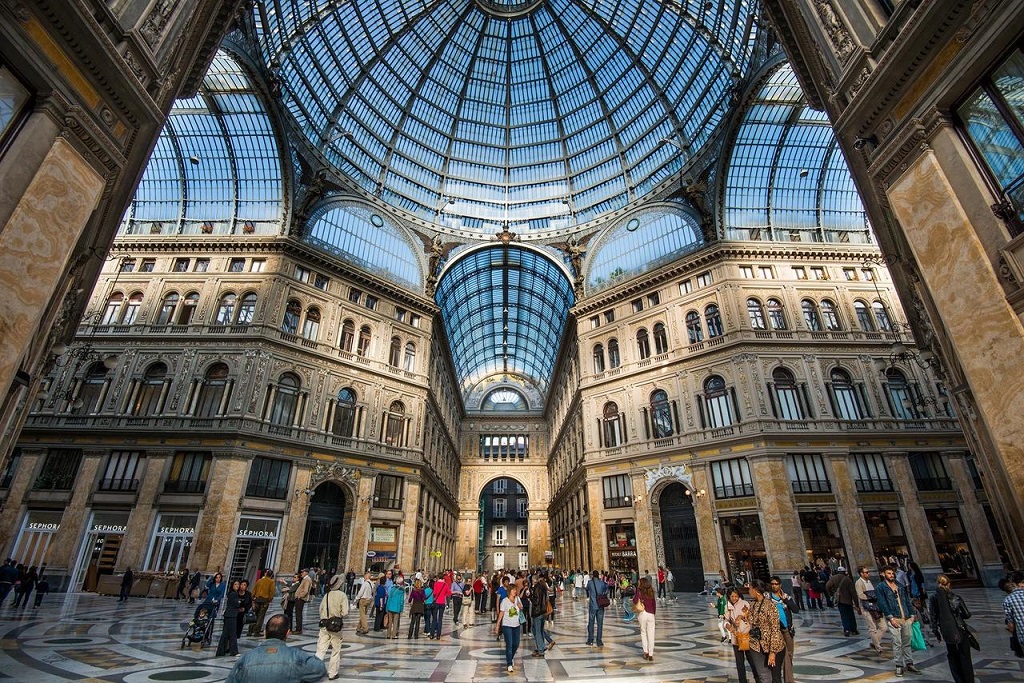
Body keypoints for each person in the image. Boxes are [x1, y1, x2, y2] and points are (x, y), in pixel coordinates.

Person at [226, 614, 326, 683]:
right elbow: (320, 669)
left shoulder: (246, 658)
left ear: (265, 633)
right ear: (287, 633)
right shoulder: (296, 656)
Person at [876, 564, 922, 677]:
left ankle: (909, 663)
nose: (891, 575)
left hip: (905, 617)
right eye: (889, 573)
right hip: (894, 618)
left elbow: (906, 600)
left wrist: (912, 614)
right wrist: (891, 618)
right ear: (883, 574)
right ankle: (899, 665)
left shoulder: (900, 585)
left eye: (892, 573)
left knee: (907, 642)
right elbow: (882, 603)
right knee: (897, 642)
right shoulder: (881, 587)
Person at [929, 574, 975, 683]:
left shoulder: (934, 598)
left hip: (947, 630)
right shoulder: (956, 597)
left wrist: (936, 631)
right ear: (949, 584)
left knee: (952, 655)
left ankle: (959, 680)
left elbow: (933, 616)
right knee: (965, 656)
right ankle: (969, 680)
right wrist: (958, 615)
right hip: (961, 628)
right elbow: (967, 614)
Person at [747, 579, 785, 683]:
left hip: (773, 645)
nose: (749, 591)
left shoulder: (770, 605)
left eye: (750, 589)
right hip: (756, 645)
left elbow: (775, 629)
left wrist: (773, 652)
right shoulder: (752, 605)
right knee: (763, 676)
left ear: (756, 590)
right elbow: (752, 622)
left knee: (775, 677)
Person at [316, 573, 349, 680]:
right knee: (335, 650)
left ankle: (315, 671)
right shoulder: (342, 595)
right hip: (335, 627)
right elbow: (345, 612)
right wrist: (338, 615)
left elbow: (320, 609)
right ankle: (332, 673)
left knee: (321, 650)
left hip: (324, 625)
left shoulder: (326, 595)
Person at [768, 576, 797, 683]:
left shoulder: (786, 597)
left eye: (776, 584)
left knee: (789, 655)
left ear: (780, 585)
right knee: (777, 655)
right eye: (772, 584)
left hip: (787, 629)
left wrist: (785, 599)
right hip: (775, 631)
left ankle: (788, 678)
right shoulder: (768, 598)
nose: (774, 586)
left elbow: (796, 609)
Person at [725, 587, 753, 683]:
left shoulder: (744, 604)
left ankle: (758, 679)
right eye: (732, 596)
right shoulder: (727, 606)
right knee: (739, 662)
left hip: (746, 636)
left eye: (736, 596)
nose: (734, 598)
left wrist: (741, 616)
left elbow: (750, 617)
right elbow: (726, 619)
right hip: (736, 637)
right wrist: (727, 625)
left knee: (752, 660)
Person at [495, 584, 524, 673]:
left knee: (516, 644)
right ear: (509, 591)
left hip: (516, 625)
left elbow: (521, 607)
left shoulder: (517, 599)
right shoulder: (504, 601)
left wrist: (520, 606)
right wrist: (497, 625)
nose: (515, 591)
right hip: (507, 625)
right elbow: (501, 613)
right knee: (509, 644)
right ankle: (509, 664)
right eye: (513, 590)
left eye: (516, 590)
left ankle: (510, 657)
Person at [856, 566, 886, 654]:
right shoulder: (858, 583)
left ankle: (875, 642)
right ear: (861, 573)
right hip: (866, 607)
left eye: (868, 572)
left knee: (883, 627)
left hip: (875, 606)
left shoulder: (869, 581)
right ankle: (878, 646)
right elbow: (860, 595)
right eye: (866, 572)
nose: (868, 573)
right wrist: (871, 597)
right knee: (872, 627)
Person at [825, 566, 859, 637]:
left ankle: (846, 629)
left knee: (844, 615)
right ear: (844, 572)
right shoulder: (847, 579)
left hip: (840, 600)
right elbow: (853, 592)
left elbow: (827, 586)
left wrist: (831, 594)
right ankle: (853, 630)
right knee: (851, 615)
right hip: (848, 600)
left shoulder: (834, 578)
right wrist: (856, 604)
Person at [530, 574, 555, 656]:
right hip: (543, 611)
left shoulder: (536, 587)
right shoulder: (543, 586)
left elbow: (536, 601)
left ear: (534, 580)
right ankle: (542, 646)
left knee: (537, 631)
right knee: (539, 630)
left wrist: (530, 597)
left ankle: (540, 650)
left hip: (538, 611)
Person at [633, 577, 657, 661]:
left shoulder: (639, 591)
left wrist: (637, 591)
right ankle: (651, 654)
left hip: (642, 613)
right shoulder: (651, 591)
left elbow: (635, 601)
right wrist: (653, 613)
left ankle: (645, 652)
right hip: (651, 614)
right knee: (651, 634)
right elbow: (654, 604)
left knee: (643, 633)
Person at [216, 580, 243, 657]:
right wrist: (239, 602)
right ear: (232, 585)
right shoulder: (233, 594)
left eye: (238, 584)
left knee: (226, 634)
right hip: (231, 615)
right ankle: (233, 651)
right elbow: (237, 603)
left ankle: (222, 651)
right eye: (235, 584)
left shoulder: (233, 594)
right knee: (232, 634)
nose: (237, 586)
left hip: (230, 615)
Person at [249, 569, 276, 637]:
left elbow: (254, 589)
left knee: (255, 616)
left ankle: (250, 630)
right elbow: (272, 592)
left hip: (257, 600)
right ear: (271, 575)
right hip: (264, 601)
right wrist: (269, 599)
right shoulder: (271, 581)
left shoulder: (259, 580)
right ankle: (256, 632)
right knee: (261, 617)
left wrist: (253, 597)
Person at [586, 569, 608, 647]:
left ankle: (590, 640)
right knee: (600, 623)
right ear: (598, 575)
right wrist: (603, 594)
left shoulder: (590, 582)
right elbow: (606, 589)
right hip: (600, 605)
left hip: (593, 605)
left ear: (592, 575)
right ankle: (599, 641)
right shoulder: (602, 583)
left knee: (591, 623)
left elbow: (587, 588)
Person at [292, 569, 314, 635]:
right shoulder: (305, 579)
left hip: (300, 599)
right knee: (298, 613)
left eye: (303, 572)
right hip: (300, 598)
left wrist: (300, 596)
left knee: (298, 614)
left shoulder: (307, 579)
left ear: (306, 573)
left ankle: (298, 629)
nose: (301, 573)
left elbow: (305, 590)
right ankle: (298, 628)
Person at [385, 573, 406, 639]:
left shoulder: (392, 589)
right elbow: (402, 601)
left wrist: (387, 607)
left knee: (390, 622)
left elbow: (389, 599)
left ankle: (388, 635)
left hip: (390, 607)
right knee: (395, 622)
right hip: (397, 608)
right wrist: (401, 609)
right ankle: (394, 635)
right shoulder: (402, 591)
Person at [354, 570, 374, 634]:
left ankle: (365, 628)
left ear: (366, 576)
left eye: (364, 576)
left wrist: (356, 599)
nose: (364, 577)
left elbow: (360, 592)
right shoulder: (372, 583)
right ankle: (358, 627)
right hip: (369, 600)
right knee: (363, 614)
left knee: (362, 615)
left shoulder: (365, 583)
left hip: (363, 600)